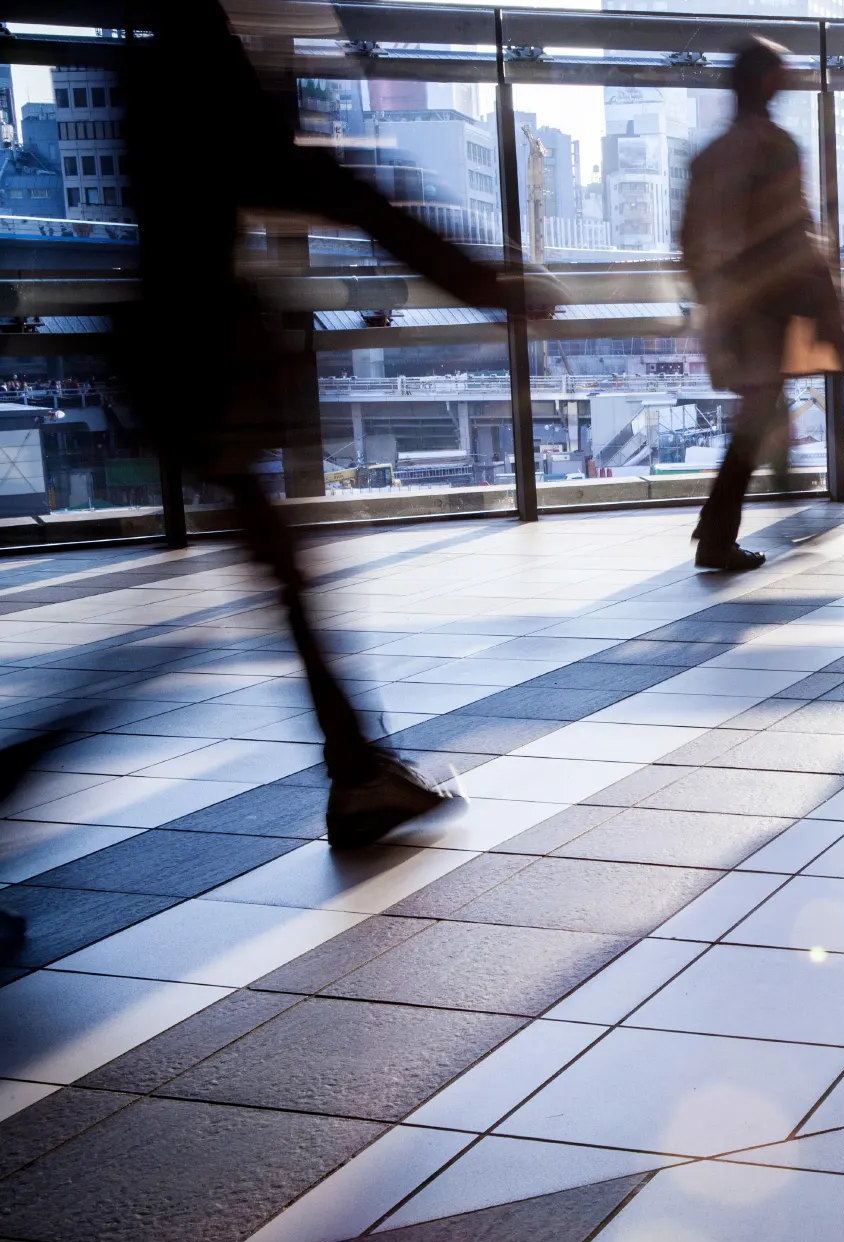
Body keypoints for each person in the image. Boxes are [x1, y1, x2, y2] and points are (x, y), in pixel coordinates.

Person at [110, 0, 520, 851]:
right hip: (203, 357)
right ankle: (358, 772)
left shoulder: (149, 63)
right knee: (274, 586)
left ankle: (358, 768)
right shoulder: (197, 66)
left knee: (282, 578)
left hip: (175, 355)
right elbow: (324, 184)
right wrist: (479, 278)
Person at [679, 37, 844, 572]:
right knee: (757, 410)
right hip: (767, 305)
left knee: (759, 404)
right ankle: (719, 530)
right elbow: (795, 230)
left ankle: (725, 518)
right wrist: (826, 306)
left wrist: (710, 296)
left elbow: (690, 239)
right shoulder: (775, 146)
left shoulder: (710, 154)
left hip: (728, 306)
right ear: (765, 83)